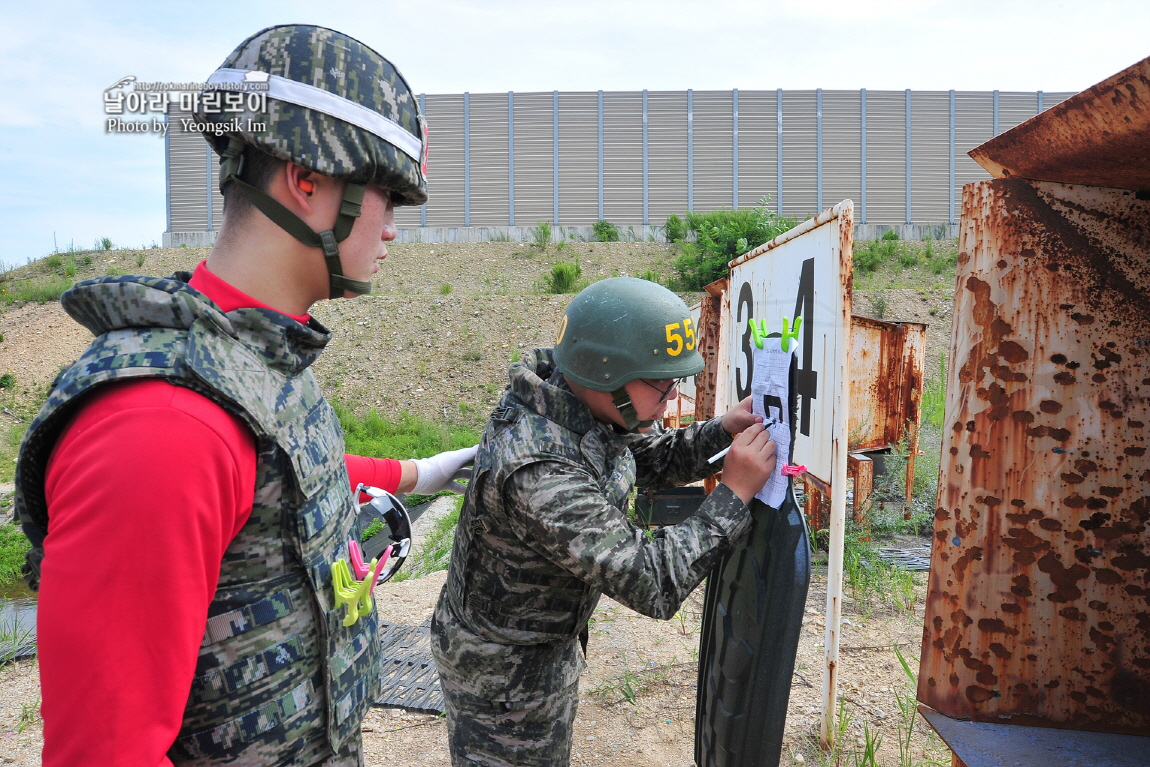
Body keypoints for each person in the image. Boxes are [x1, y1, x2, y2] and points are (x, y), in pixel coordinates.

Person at [13, 25, 467, 767]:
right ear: (308, 179)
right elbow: (107, 751)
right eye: (388, 194)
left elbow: (287, 472)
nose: (392, 226)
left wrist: (427, 470)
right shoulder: (158, 426)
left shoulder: (254, 359)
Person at [431, 277, 779, 766]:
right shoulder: (541, 468)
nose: (671, 396)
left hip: (536, 648)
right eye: (661, 384)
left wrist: (720, 433)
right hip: (503, 677)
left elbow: (641, 459)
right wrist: (734, 494)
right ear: (605, 374)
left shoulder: (573, 404)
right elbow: (653, 581)